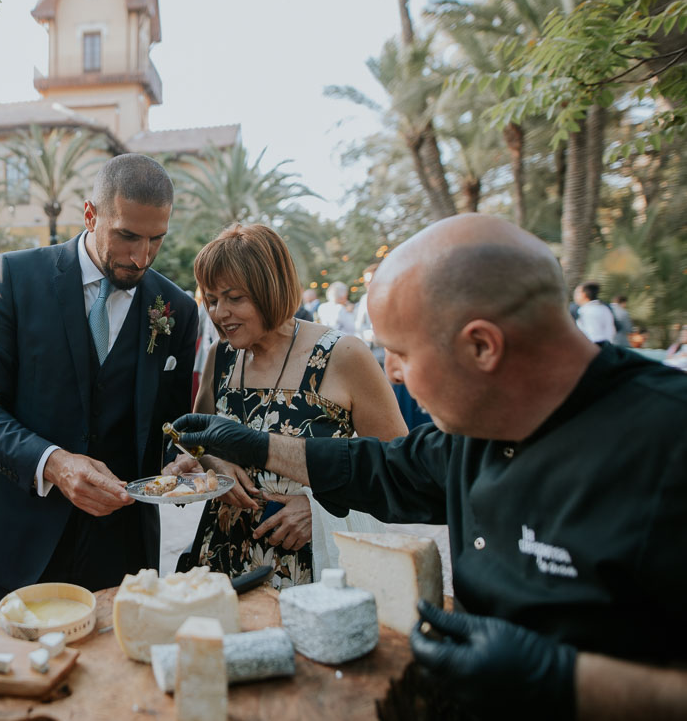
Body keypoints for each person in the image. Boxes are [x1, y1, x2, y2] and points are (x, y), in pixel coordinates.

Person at [170, 214, 687, 719]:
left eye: (401, 353)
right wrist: (252, 446)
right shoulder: (477, 432)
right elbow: (385, 467)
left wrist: (565, 680)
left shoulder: (668, 440)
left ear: (482, 345)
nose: (391, 374)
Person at [0, 153, 198, 614]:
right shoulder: (15, 277)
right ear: (91, 214)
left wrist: (181, 461)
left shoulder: (177, 309)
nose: (140, 256)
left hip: (124, 553)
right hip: (21, 544)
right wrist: (53, 464)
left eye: (156, 240)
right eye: (127, 235)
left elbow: (170, 426)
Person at [168, 225, 405, 588]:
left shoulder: (342, 355)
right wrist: (209, 462)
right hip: (223, 559)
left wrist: (320, 511)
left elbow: (397, 467)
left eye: (234, 298)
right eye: (212, 299)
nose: (220, 313)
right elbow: (200, 443)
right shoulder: (222, 357)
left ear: (270, 290)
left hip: (309, 572)